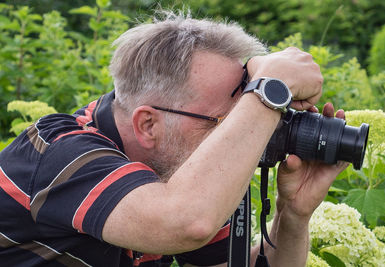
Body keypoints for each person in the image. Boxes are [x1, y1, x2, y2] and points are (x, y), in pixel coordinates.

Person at [0, 12, 347, 266]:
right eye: (226, 122)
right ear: (148, 124)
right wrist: (270, 91)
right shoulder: (60, 154)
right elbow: (185, 221)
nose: (236, 139)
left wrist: (293, 215)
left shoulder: (184, 174)